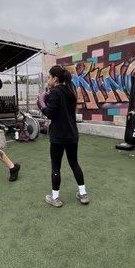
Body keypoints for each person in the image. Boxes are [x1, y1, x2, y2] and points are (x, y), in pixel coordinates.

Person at [37, 65, 89, 207]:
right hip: (72, 135)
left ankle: (55, 198)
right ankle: (83, 194)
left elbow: (51, 113)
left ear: (55, 78)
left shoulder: (55, 92)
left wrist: (41, 104)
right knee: (74, 163)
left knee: (56, 166)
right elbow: (60, 110)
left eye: (49, 77)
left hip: (59, 136)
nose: (48, 79)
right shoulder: (70, 92)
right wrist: (47, 100)